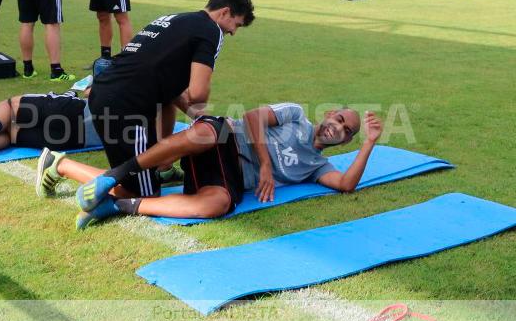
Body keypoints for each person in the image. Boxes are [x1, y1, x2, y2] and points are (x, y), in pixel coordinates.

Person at [36, 104, 382, 230]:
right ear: (328, 114)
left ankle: (65, 168)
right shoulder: (296, 116)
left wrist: (369, 142)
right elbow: (252, 116)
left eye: (347, 130)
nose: (337, 126)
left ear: (345, 141)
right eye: (338, 117)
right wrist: (265, 165)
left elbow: (347, 184)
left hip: (223, 174)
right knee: (208, 131)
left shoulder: (316, 166)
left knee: (215, 204)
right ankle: (131, 169)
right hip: (221, 139)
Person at [78, 0, 254, 203]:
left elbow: (170, 93)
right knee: (144, 195)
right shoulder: (211, 31)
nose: (233, 32)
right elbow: (198, 93)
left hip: (105, 93)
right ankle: (64, 167)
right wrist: (204, 111)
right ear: (225, 11)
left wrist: (200, 119)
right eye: (235, 24)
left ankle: (158, 167)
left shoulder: (176, 19)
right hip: (127, 107)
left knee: (135, 171)